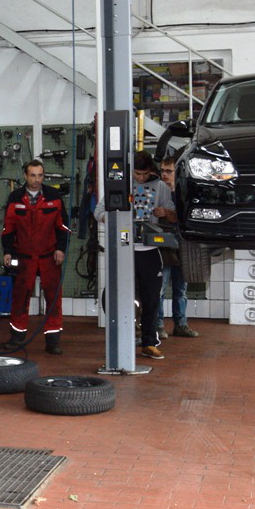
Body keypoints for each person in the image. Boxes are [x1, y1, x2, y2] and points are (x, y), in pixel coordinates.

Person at [95, 150, 174, 360]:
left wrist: (165, 213)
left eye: (145, 174)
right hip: (124, 250)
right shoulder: (120, 185)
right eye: (137, 174)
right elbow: (99, 211)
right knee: (116, 295)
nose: (141, 178)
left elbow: (175, 215)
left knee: (151, 299)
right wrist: (112, 219)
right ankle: (121, 339)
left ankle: (149, 343)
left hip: (149, 251)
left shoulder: (161, 187)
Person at [1, 160, 70, 354]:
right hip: (24, 257)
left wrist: (61, 249)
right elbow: (8, 228)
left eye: (40, 175)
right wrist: (7, 251)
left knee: (53, 298)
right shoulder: (15, 198)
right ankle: (16, 338)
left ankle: (53, 341)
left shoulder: (54, 197)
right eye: (33, 175)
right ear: (25, 176)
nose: (37, 180)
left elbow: (63, 227)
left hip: (50, 256)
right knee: (20, 297)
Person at [157, 156, 198, 338]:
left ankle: (180, 324)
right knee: (160, 285)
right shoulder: (157, 191)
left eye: (168, 171)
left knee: (181, 287)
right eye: (162, 171)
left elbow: (181, 217)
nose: (164, 175)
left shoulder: (184, 193)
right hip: (163, 242)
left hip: (181, 241)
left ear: (177, 172)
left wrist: (167, 213)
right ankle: (158, 325)